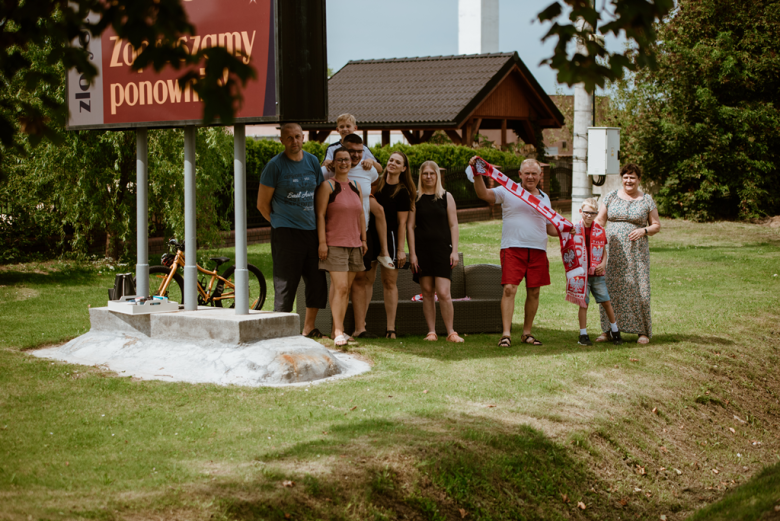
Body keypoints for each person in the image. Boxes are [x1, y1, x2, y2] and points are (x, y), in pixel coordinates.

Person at [470, 157, 558, 347]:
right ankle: (506, 334)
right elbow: (484, 194)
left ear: (540, 176)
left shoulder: (544, 198)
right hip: (512, 248)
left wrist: (566, 231)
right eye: (526, 173)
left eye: (534, 173)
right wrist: (477, 174)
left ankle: (527, 333)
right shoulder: (508, 189)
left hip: (538, 250)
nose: (530, 177)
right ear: (520, 174)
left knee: (534, 292)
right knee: (509, 289)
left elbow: (550, 228)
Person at [256, 123, 326, 338]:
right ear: (282, 141)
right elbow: (262, 204)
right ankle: (281, 332)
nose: (294, 141)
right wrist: (279, 222)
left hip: (311, 232)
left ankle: (308, 328)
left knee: (317, 282)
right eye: (289, 138)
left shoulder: (313, 161)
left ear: (303, 137)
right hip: (286, 233)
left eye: (297, 137)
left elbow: (320, 194)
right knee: (286, 283)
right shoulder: (275, 166)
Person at [323, 134, 393, 339]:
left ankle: (360, 328)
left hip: (361, 232)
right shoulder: (330, 171)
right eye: (350, 151)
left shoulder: (367, 169)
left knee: (361, 278)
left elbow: (376, 180)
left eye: (358, 151)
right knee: (339, 284)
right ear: (341, 149)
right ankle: (337, 329)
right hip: (337, 234)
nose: (354, 156)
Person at [594, 163, 661, 344]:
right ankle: (607, 330)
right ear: (621, 178)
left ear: (639, 180)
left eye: (632, 177)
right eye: (625, 177)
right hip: (612, 252)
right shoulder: (610, 197)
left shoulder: (646, 200)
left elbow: (656, 225)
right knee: (610, 289)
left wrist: (643, 231)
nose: (628, 180)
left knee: (639, 289)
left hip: (636, 253)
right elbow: (600, 221)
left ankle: (643, 332)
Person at [315, 148, 367, 347]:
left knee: (345, 290)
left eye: (346, 159)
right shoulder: (327, 186)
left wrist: (363, 240)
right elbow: (320, 215)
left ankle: (338, 329)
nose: (344, 162)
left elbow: (361, 214)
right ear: (333, 163)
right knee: (341, 287)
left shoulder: (356, 185)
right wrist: (322, 242)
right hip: (334, 243)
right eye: (340, 160)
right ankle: (338, 331)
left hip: (355, 244)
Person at [407, 161, 464, 343]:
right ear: (421, 176)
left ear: (437, 176)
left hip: (442, 250)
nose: (429, 176)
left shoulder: (447, 197)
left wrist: (454, 251)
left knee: (444, 292)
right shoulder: (415, 198)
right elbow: (410, 227)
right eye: (425, 174)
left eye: (432, 173)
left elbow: (454, 225)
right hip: (422, 251)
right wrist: (412, 254)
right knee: (427, 291)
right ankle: (431, 332)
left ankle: (451, 332)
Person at [374, 151, 415, 338]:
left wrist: (400, 250)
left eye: (397, 162)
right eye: (391, 160)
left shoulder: (402, 192)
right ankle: (363, 327)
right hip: (370, 236)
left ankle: (390, 328)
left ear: (403, 168)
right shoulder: (376, 185)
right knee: (363, 280)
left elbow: (402, 224)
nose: (392, 163)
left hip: (390, 239)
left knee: (389, 282)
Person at [575, 198, 623, 346]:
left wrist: (603, 263)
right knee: (583, 304)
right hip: (582, 275)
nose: (589, 216)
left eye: (592, 213)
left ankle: (615, 331)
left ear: (596, 214)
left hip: (597, 274)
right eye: (586, 212)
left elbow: (603, 251)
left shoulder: (600, 230)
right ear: (580, 212)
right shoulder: (574, 229)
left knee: (606, 302)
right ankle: (583, 334)